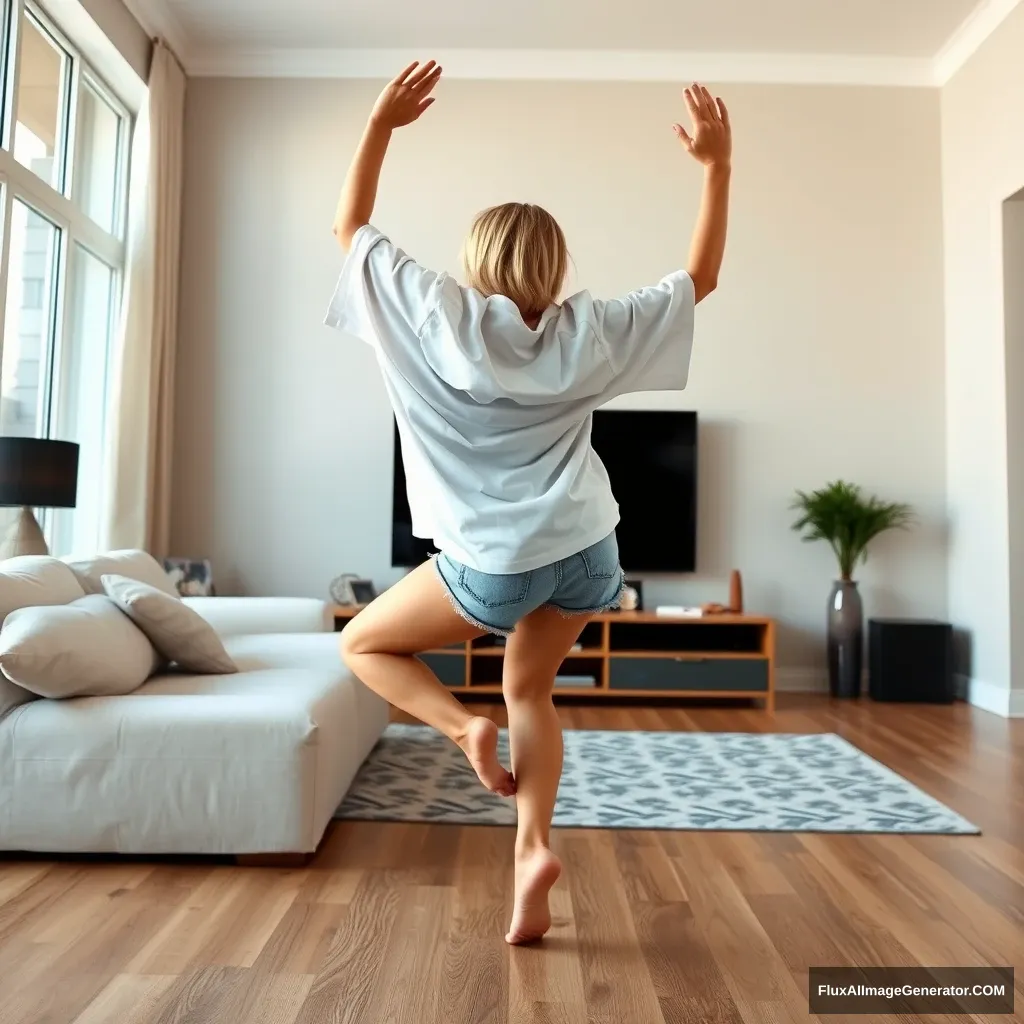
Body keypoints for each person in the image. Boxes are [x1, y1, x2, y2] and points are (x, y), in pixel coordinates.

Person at [328, 60, 731, 945]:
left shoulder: (432, 312)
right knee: (534, 694)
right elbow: (698, 280)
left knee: (360, 641)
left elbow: (350, 226)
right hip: (590, 552)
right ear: (555, 267)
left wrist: (382, 124)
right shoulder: (588, 330)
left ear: (474, 262)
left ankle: (460, 729)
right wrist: (717, 167)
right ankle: (534, 846)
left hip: (492, 564)